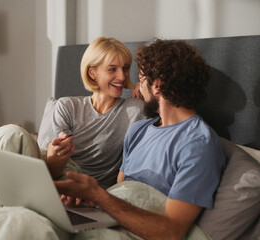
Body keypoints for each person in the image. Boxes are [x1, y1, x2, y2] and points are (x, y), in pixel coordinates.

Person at [55, 39, 226, 240]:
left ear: (157, 86)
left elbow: (172, 231)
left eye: (141, 79)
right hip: (107, 218)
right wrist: (89, 199)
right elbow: (120, 191)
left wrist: (98, 195)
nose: (137, 87)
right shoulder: (139, 130)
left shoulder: (198, 144)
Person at [45, 36, 144, 190]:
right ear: (92, 73)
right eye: (112, 69)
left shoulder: (135, 110)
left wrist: (146, 85)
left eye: (125, 68)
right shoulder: (67, 106)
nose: (122, 76)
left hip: (94, 193)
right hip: (60, 184)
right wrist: (57, 156)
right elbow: (52, 172)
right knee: (12, 134)